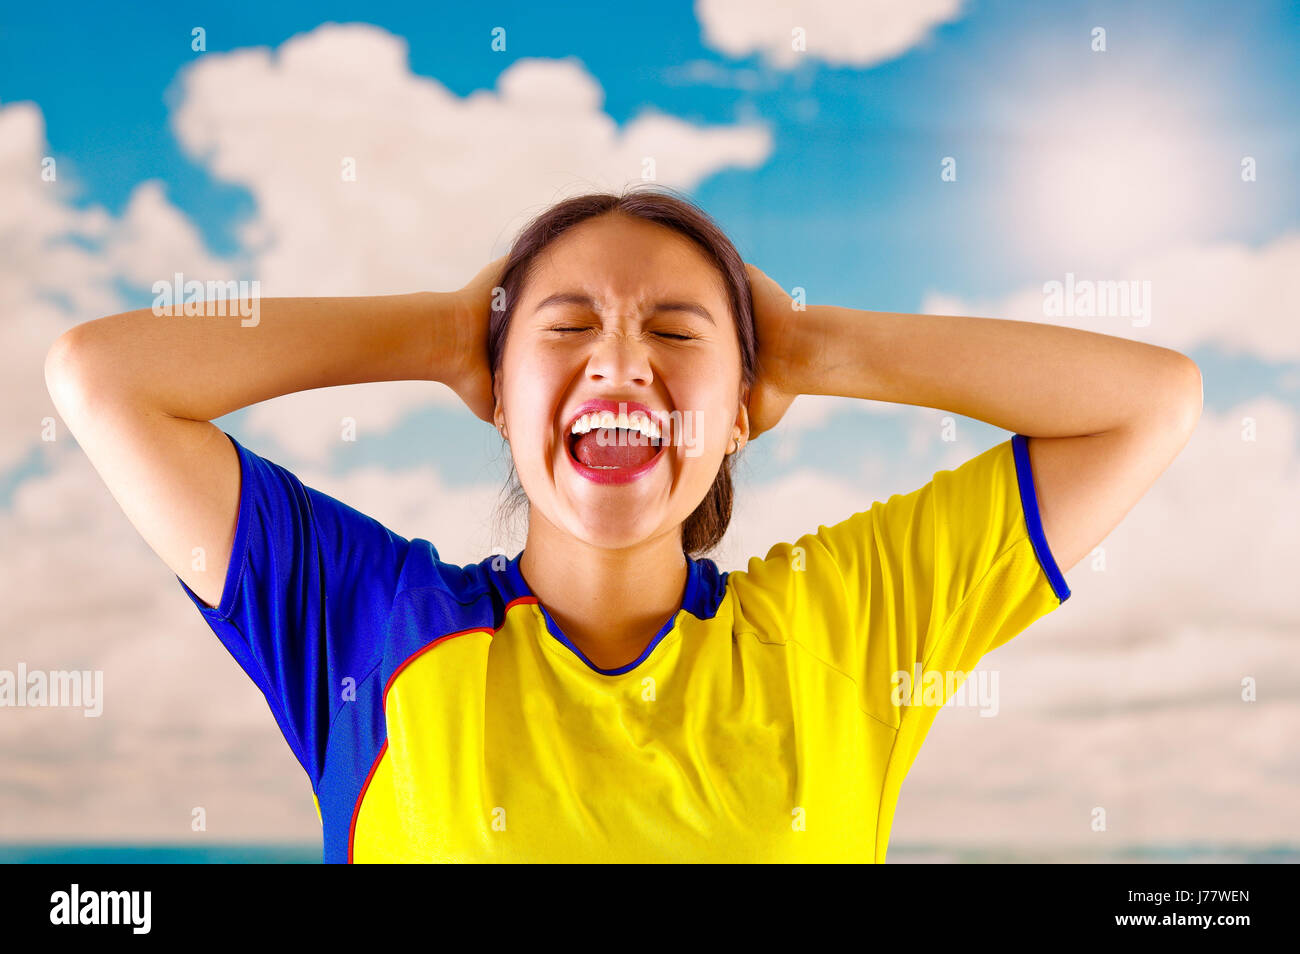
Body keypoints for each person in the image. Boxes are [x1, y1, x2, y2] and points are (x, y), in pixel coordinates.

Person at [44, 185, 1202, 862]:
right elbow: (102, 377)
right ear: (496, 394)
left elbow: (1149, 404)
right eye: (566, 328)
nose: (620, 361)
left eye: (677, 331)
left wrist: (808, 348)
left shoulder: (844, 628)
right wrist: (447, 329)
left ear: (743, 408)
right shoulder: (362, 625)